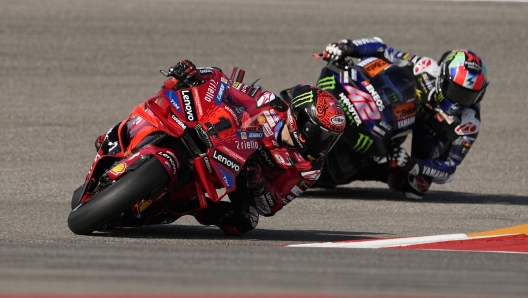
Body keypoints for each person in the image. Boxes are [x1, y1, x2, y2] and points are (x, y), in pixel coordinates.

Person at [95, 59, 346, 235]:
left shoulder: (310, 168)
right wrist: (197, 75)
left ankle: (181, 208)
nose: (324, 143)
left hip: (240, 179)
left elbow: (271, 204)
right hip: (219, 137)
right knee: (173, 98)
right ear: (301, 119)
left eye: (330, 138)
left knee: (245, 222)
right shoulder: (269, 104)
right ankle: (125, 136)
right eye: (321, 134)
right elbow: (226, 84)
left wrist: (257, 182)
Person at [322, 38, 488, 199]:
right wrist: (347, 47)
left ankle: (378, 172)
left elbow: (449, 171)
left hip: (434, 133)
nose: (458, 101)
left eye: (467, 97)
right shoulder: (426, 68)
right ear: (443, 79)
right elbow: (383, 50)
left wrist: (412, 164)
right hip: (400, 114)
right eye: (455, 91)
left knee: (416, 187)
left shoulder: (469, 123)